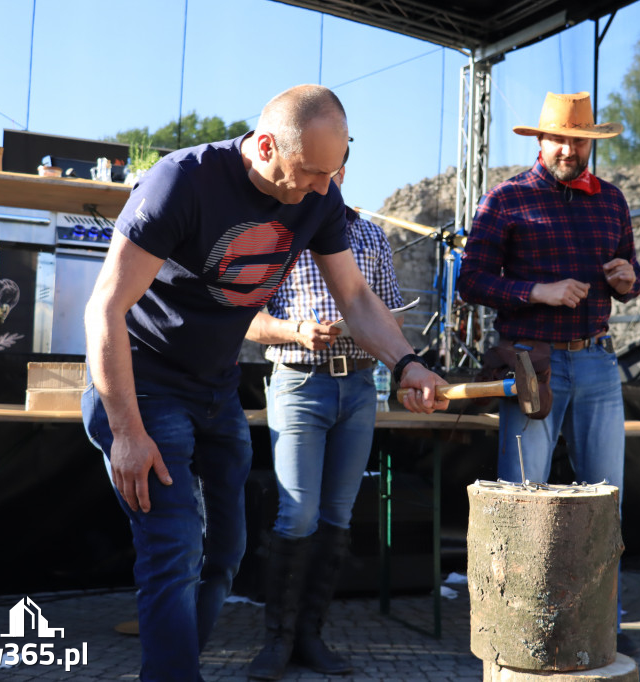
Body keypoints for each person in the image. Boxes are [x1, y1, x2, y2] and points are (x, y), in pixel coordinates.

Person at [81, 84, 447, 682]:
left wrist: (407, 363)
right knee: (175, 549)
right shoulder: (182, 182)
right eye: (308, 172)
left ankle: (176, 664)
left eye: (333, 172)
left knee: (225, 554)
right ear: (267, 143)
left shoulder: (319, 196)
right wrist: (125, 430)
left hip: (216, 388)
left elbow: (355, 297)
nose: (323, 188)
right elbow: (104, 309)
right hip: (143, 386)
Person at [457, 91, 640, 657]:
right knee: (520, 497)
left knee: (605, 498)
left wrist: (627, 279)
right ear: (540, 140)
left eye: (578, 140)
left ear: (590, 143)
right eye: (559, 138)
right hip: (532, 362)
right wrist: (538, 291)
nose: (568, 148)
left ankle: (602, 626)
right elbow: (471, 282)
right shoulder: (506, 198)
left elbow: (631, 274)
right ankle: (512, 629)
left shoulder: (612, 202)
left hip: (596, 360)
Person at [243, 164, 401, 680]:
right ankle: (277, 641)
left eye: (335, 164)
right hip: (298, 381)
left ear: (343, 166)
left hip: (358, 387)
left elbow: (387, 317)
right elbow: (248, 318)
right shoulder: (275, 232)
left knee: (337, 515)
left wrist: (405, 362)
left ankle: (310, 636)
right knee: (297, 515)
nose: (326, 173)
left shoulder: (370, 234)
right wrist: (295, 330)